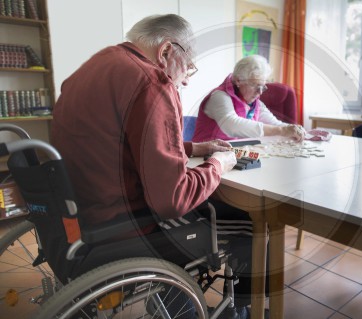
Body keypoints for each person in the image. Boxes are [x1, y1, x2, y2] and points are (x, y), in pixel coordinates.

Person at [51, 14, 264, 319]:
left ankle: (178, 300)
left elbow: (119, 144)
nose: (188, 79)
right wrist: (218, 163)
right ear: (166, 51)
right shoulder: (151, 81)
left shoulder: (96, 66)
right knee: (250, 221)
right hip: (125, 227)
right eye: (188, 66)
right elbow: (173, 200)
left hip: (79, 216)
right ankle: (243, 310)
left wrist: (194, 148)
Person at [192, 54, 305, 142]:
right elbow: (232, 126)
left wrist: (297, 130)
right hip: (204, 158)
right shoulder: (219, 96)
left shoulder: (255, 103)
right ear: (238, 80)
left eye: (262, 87)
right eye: (255, 85)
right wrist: (281, 130)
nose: (259, 92)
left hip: (231, 156)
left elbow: (274, 124)